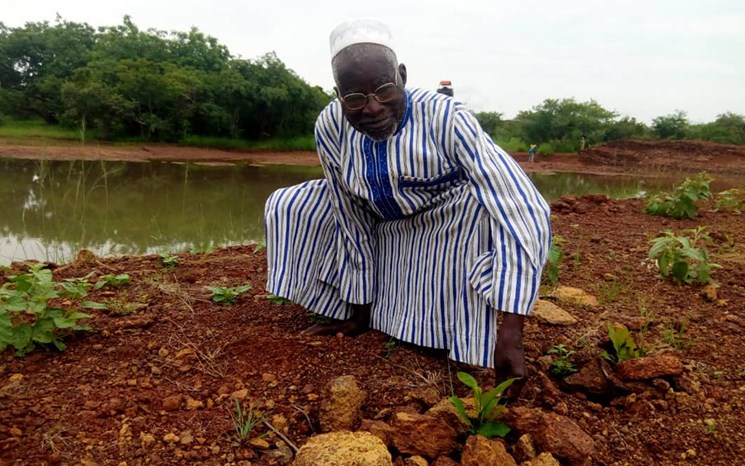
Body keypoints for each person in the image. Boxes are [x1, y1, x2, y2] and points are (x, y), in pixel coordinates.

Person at [265, 18, 551, 398]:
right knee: (292, 203)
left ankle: (452, 328)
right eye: (353, 98)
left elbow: (520, 205)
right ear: (338, 94)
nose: (371, 108)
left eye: (384, 90)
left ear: (401, 75)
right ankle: (356, 306)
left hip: (446, 227)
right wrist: (359, 306)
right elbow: (348, 209)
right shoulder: (330, 127)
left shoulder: (446, 117)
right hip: (380, 226)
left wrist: (512, 329)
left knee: (481, 206)